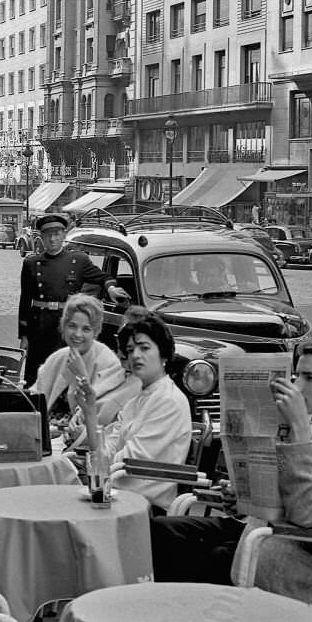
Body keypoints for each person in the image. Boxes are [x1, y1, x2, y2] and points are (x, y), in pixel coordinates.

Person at [149, 333, 312, 610]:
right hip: (255, 532)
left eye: (309, 378)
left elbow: (308, 512)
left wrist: (298, 434)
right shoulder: (297, 421)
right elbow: (271, 487)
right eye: (297, 376)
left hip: (289, 557)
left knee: (186, 560)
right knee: (159, 532)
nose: (296, 386)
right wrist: (242, 497)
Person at [75, 311, 192, 512]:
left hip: (143, 505)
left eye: (144, 348)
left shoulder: (169, 401)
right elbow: (105, 453)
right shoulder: (137, 400)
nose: (135, 355)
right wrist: (91, 413)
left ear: (163, 353)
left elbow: (130, 461)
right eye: (130, 350)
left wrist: (93, 469)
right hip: (116, 494)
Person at [18, 212, 130, 386]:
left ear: (63, 235)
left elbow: (102, 276)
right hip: (39, 326)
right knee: (37, 375)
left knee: (66, 372)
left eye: (56, 235)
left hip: (66, 325)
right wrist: (24, 334)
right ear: (41, 238)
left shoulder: (78, 260)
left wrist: (112, 288)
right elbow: (25, 300)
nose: (52, 239)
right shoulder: (31, 263)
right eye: (48, 235)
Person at [30, 294, 126, 425]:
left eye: (86, 329)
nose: (78, 334)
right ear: (64, 326)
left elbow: (96, 415)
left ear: (96, 332)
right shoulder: (58, 358)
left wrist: (81, 376)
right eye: (72, 326)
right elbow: (34, 397)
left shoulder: (109, 364)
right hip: (45, 433)